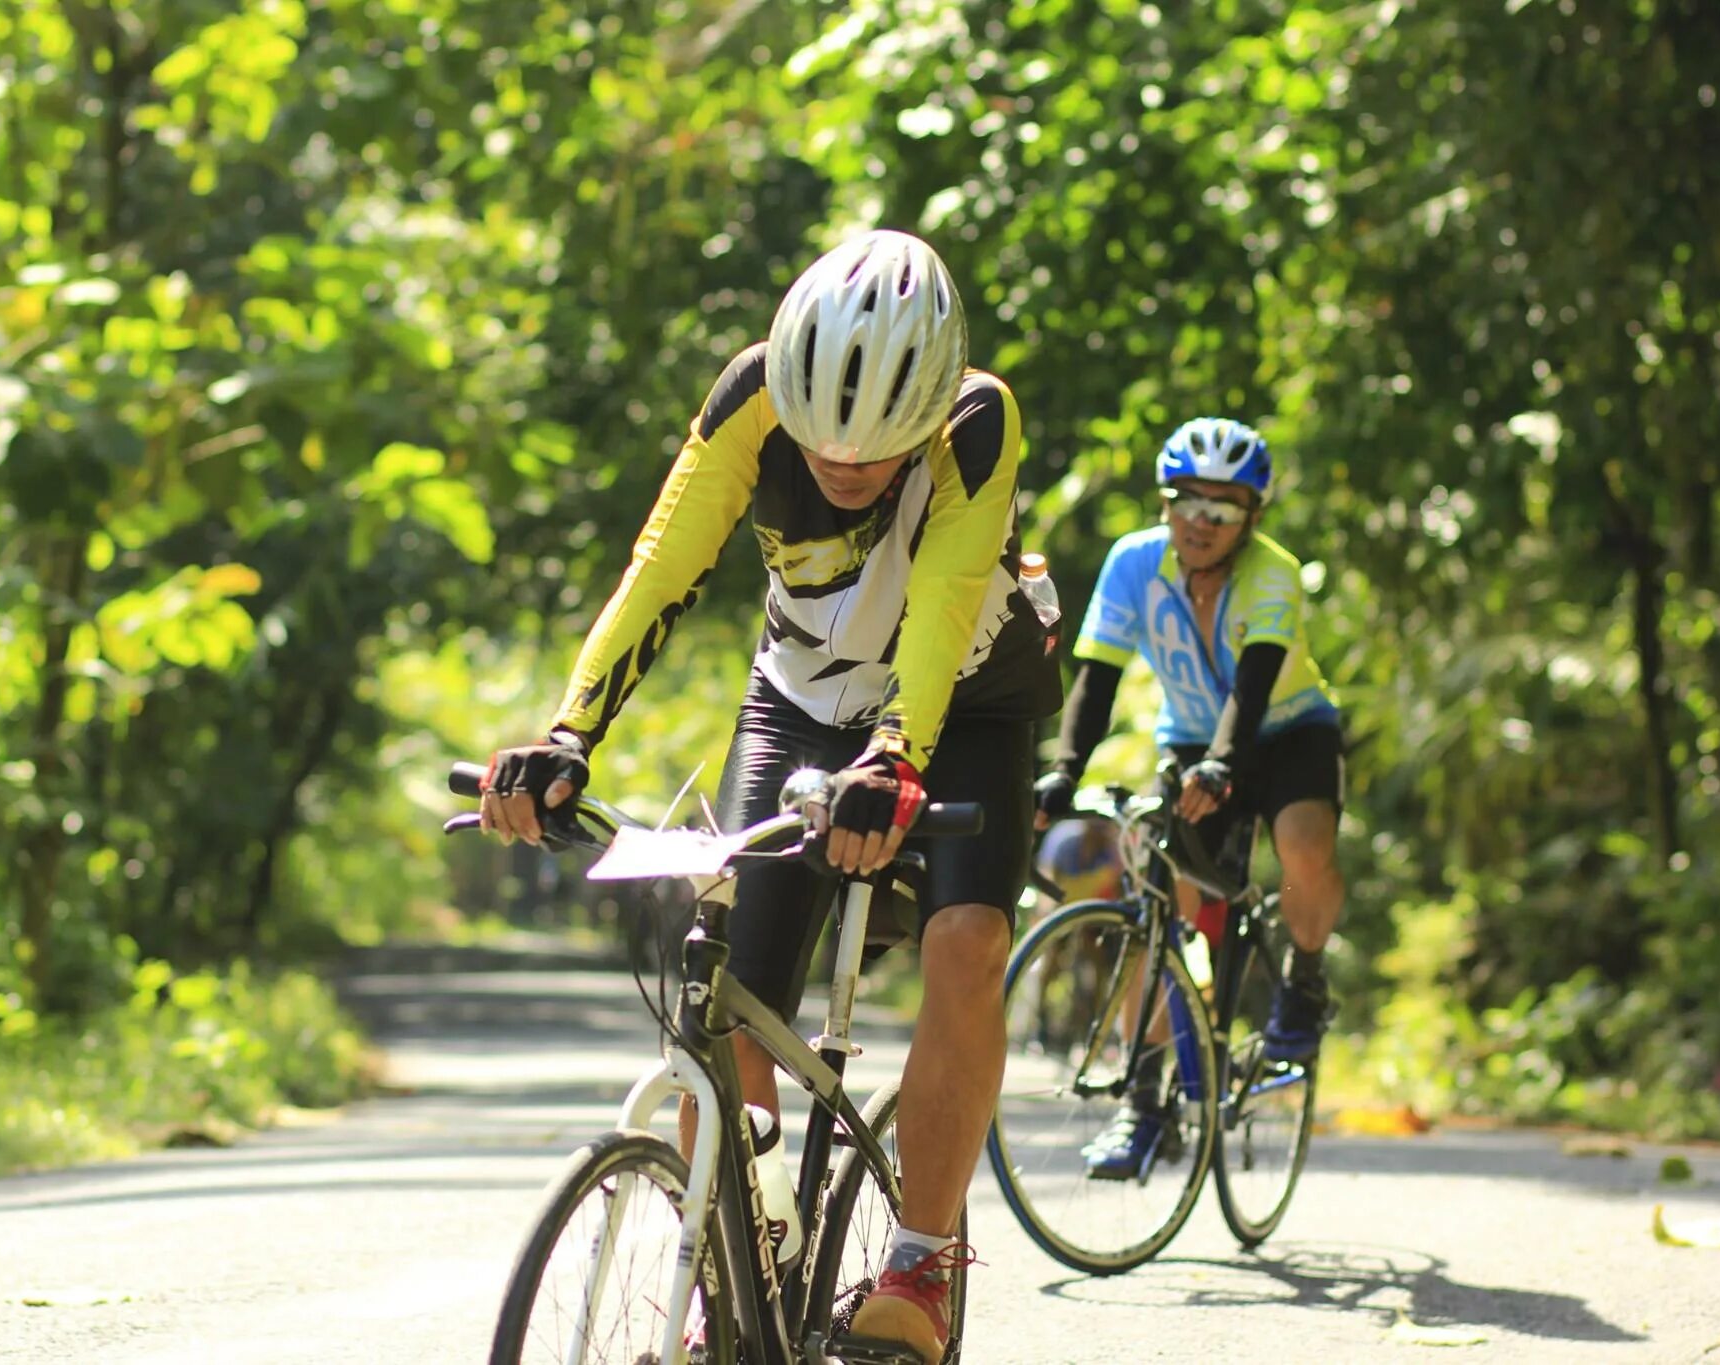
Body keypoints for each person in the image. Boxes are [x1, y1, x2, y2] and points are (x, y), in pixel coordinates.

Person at [478, 229, 1059, 1364]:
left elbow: (940, 611)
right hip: (798, 699)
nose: (844, 466)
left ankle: (921, 1262)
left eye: (877, 451)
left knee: (969, 938)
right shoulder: (749, 396)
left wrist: (894, 759)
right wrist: (565, 734)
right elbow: (664, 562)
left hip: (966, 702)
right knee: (730, 977)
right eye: (822, 444)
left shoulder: (976, 422)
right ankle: (735, 1266)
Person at [1033, 416, 1346, 1178]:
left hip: (1286, 732)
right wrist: (1064, 771)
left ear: (1253, 516)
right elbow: (1097, 680)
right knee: (1158, 908)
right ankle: (1145, 1102)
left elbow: (1256, 683)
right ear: (1164, 503)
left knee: (1302, 842)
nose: (1202, 522)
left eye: (1224, 508)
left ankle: (1303, 981)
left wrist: (1224, 768)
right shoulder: (1133, 563)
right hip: (1189, 739)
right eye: (1187, 502)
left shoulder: (1272, 573)